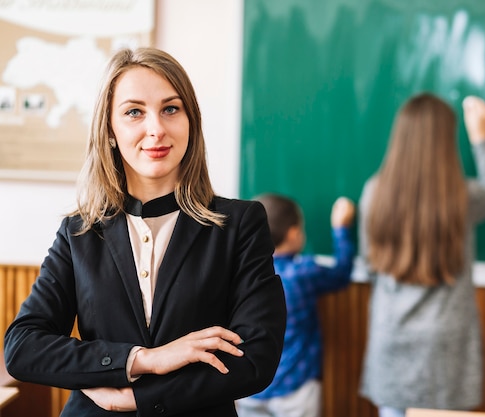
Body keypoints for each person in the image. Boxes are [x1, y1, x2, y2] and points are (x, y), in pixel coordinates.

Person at [3, 47, 287, 417]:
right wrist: (144, 360)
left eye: (171, 109)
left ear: (190, 122)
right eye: (134, 112)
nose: (156, 129)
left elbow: (255, 358)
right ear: (110, 129)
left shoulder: (240, 224)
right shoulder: (79, 232)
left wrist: (139, 398)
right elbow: (23, 347)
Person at [357, 93, 485, 416]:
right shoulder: (461, 196)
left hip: (391, 335)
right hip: (446, 341)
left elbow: (370, 265)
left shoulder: (374, 192)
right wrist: (481, 137)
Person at [236, 193, 356, 417]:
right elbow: (341, 274)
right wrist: (342, 228)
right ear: (293, 234)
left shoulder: (240, 276)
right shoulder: (303, 273)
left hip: (251, 387)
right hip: (296, 389)